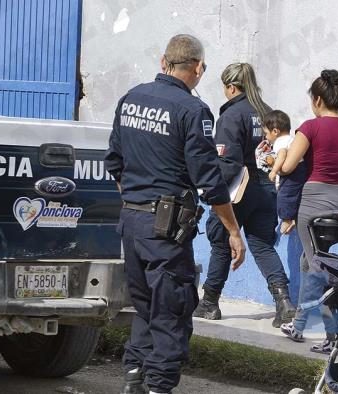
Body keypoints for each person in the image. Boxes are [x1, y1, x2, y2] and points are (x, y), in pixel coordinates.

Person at [104, 34, 246, 394]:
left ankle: (134, 378)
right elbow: (209, 180)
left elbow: (115, 164)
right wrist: (232, 229)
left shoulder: (131, 98)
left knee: (146, 307)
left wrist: (136, 202)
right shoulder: (192, 111)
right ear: (198, 68)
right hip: (164, 229)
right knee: (172, 310)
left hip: (132, 223)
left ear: (163, 60)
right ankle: (158, 387)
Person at [194, 63, 296, 328]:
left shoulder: (232, 115)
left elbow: (227, 163)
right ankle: (283, 301)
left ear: (231, 87)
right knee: (262, 244)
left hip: (238, 191)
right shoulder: (267, 112)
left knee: (220, 240)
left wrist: (211, 192)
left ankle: (209, 303)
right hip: (266, 189)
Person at [279, 69, 338, 354]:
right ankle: (299, 326)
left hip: (312, 200)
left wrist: (278, 158)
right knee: (311, 261)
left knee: (319, 268)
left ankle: (333, 335)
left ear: (317, 99)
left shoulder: (310, 127)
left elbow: (289, 166)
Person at [262, 110, 308, 235]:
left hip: (293, 173)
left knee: (284, 195)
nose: (266, 137)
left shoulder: (280, 141)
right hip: (301, 170)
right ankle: (293, 218)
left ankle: (287, 220)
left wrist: (274, 171)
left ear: (275, 131)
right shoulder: (291, 139)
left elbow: (282, 155)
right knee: (294, 195)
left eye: (266, 133)